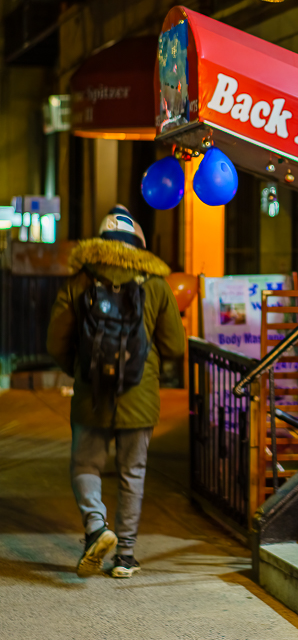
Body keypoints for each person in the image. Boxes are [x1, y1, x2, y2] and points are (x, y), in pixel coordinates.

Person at [47, 206, 186, 578]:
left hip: (92, 394)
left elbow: (55, 341)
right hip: (139, 395)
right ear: (137, 245)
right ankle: (124, 555)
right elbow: (174, 346)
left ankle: (96, 526)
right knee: (132, 471)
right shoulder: (155, 283)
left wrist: (81, 371)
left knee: (85, 465)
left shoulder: (80, 280)